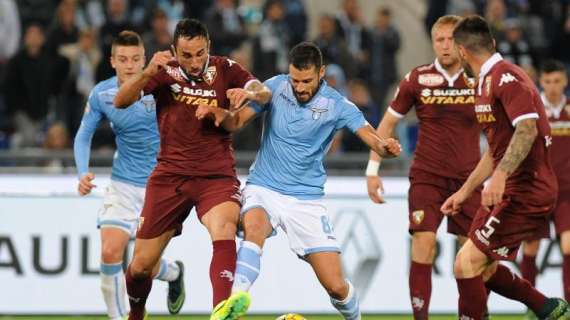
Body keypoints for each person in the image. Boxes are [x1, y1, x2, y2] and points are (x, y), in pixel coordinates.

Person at [197, 42, 401, 320]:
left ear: (321, 73)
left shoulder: (338, 105)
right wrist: (222, 115)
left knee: (336, 286)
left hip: (305, 200)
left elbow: (373, 139)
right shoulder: (276, 88)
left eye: (307, 81)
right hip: (264, 186)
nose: (300, 87)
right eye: (295, 80)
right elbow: (238, 121)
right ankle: (234, 301)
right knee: (254, 226)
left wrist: (385, 148)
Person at [113, 19, 271, 320]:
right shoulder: (164, 71)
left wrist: (249, 94)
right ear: (174, 50)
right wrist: (147, 71)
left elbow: (263, 92)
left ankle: (221, 312)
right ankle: (136, 313)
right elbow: (121, 101)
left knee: (224, 228)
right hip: (169, 176)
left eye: (200, 53)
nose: (195, 62)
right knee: (140, 266)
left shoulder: (226, 69)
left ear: (208, 47)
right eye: (187, 55)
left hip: (216, 175)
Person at [441, 15, 570, 319]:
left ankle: (544, 307)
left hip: (527, 190)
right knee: (483, 269)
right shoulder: (483, 83)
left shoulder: (507, 77)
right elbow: (496, 151)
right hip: (511, 188)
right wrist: (465, 190)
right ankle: (547, 307)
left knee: (466, 263)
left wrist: (500, 175)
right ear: (493, 43)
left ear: (461, 51)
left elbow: (528, 129)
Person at [366, 15, 481, 319]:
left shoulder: (480, 79)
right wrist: (372, 170)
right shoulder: (417, 78)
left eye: (451, 39)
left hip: (470, 181)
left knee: (472, 258)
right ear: (433, 43)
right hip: (427, 178)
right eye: (439, 40)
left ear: (462, 43)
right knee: (423, 245)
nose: (445, 46)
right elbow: (388, 124)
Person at [74, 31, 185, 320]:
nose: (129, 65)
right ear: (112, 61)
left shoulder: (162, 86)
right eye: (122, 59)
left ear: (144, 60)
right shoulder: (103, 93)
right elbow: (83, 135)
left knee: (142, 265)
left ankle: (174, 273)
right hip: (122, 184)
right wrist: (83, 172)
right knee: (111, 252)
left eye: (135, 59)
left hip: (160, 186)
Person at [520, 59, 570, 319]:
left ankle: (569, 307)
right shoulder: (532, 110)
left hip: (566, 194)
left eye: (557, 81)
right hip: (538, 190)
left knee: (569, 247)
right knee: (530, 249)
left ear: (565, 81)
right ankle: (532, 306)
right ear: (541, 82)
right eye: (548, 81)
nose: (552, 87)